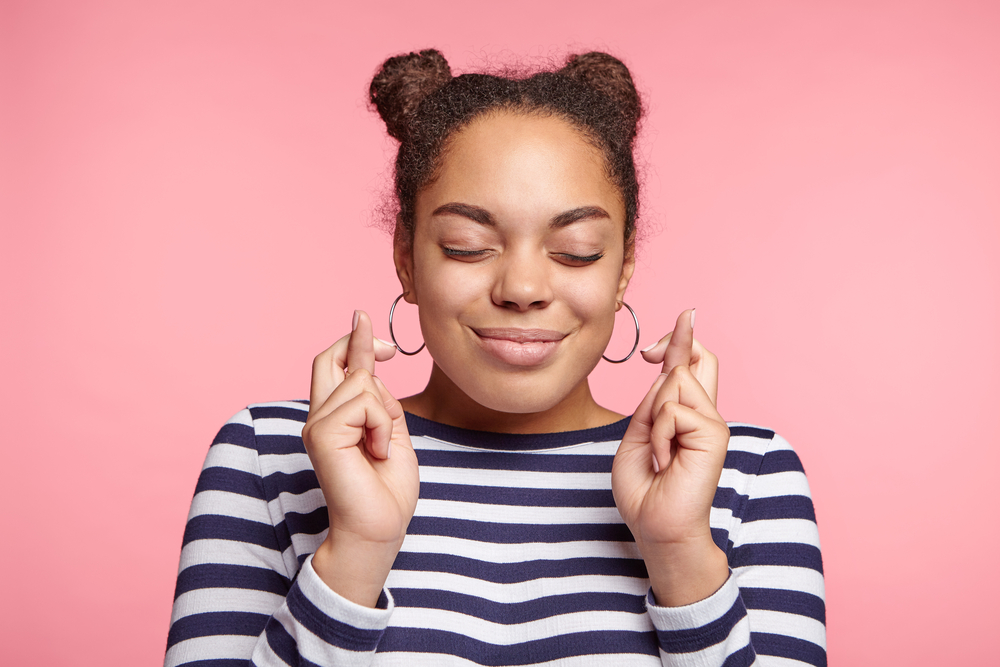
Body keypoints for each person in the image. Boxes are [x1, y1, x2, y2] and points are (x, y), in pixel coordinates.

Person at [164, 49, 825, 666]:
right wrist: (356, 553)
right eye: (467, 244)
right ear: (406, 255)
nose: (523, 289)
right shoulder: (271, 455)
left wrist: (680, 551)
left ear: (623, 267)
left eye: (576, 251)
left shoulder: (746, 477)